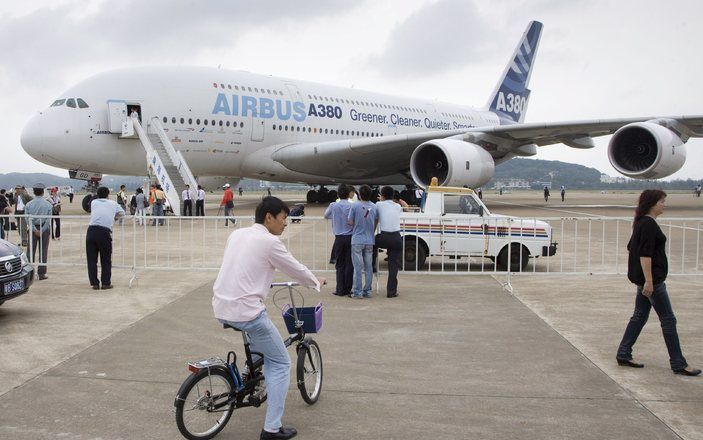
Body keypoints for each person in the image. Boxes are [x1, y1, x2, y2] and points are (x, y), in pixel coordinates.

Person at [212, 196, 325, 440]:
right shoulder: (269, 242)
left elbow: (243, 266)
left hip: (221, 306)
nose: (286, 223)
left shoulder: (237, 235)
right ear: (269, 217)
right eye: (283, 218)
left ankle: (249, 377)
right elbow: (294, 268)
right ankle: (272, 428)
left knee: (260, 349)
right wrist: (315, 281)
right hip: (247, 312)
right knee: (281, 363)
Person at [616, 189, 700, 376]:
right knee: (668, 320)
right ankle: (678, 363)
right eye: (662, 201)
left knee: (639, 316)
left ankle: (623, 353)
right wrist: (649, 281)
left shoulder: (642, 222)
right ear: (653, 203)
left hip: (646, 281)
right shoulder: (648, 224)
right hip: (653, 282)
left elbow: (632, 247)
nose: (664, 204)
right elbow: (645, 254)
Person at [86, 186, 125, 290]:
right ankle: (105, 283)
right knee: (106, 259)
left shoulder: (94, 202)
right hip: (104, 232)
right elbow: (122, 213)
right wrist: (114, 217)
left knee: (91, 260)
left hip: (91, 231)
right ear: (108, 194)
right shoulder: (113, 203)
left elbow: (89, 205)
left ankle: (94, 283)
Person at [324, 184, 355, 297]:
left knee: (339, 264)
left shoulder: (333, 205)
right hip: (350, 237)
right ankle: (348, 288)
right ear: (348, 194)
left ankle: (340, 289)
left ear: (338, 194)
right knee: (349, 264)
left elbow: (326, 215)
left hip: (339, 238)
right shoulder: (352, 205)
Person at [347, 185, 377, 298]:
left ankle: (357, 291)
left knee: (358, 267)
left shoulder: (355, 206)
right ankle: (367, 291)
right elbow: (376, 219)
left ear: (359, 195)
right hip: (370, 240)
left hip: (357, 239)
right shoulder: (374, 207)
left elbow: (350, 221)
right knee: (369, 267)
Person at [375, 186, 402, 298]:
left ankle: (371, 265)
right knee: (393, 266)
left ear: (382, 196)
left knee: (371, 243)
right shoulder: (398, 206)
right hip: (396, 237)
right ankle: (391, 291)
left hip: (384, 237)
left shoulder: (378, 204)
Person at [24, 183, 52, 280]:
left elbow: (27, 219)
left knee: (30, 251)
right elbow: (48, 220)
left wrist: (34, 230)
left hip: (32, 230)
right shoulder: (48, 204)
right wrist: (42, 230)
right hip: (44, 229)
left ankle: (29, 273)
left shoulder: (29, 204)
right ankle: (41, 273)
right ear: (43, 192)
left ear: (34, 192)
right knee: (43, 251)